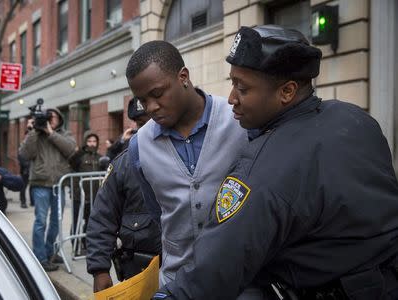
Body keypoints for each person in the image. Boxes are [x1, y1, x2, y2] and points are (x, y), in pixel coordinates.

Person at [153, 25, 398, 300]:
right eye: (233, 83)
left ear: (287, 91)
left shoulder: (263, 165)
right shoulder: (356, 119)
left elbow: (217, 268)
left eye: (242, 88)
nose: (232, 98)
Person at [125, 40, 250, 287]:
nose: (151, 107)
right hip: (176, 281)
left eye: (157, 94)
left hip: (240, 278)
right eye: (142, 101)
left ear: (183, 77)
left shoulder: (240, 122)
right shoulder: (139, 147)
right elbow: (157, 209)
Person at [86, 99, 161, 292]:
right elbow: (102, 218)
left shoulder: (183, 155)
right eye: (141, 123)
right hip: (137, 272)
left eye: (153, 120)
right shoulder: (123, 164)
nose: (147, 128)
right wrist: (100, 270)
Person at [19, 108, 76, 272]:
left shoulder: (65, 134)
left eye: (53, 117)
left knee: (56, 223)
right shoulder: (35, 135)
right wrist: (32, 131)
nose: (50, 120)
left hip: (59, 184)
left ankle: (50, 252)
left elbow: (71, 149)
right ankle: (40, 257)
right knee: (40, 222)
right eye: (48, 117)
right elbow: (25, 154)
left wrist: (51, 133)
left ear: (60, 119)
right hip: (40, 184)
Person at [69, 130, 106, 255]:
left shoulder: (100, 158)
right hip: (79, 195)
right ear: (85, 142)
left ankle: (86, 245)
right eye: (89, 141)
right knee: (77, 222)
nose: (92, 144)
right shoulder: (79, 156)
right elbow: (71, 163)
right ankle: (75, 247)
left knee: (90, 223)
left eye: (94, 141)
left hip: (94, 196)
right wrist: (79, 151)